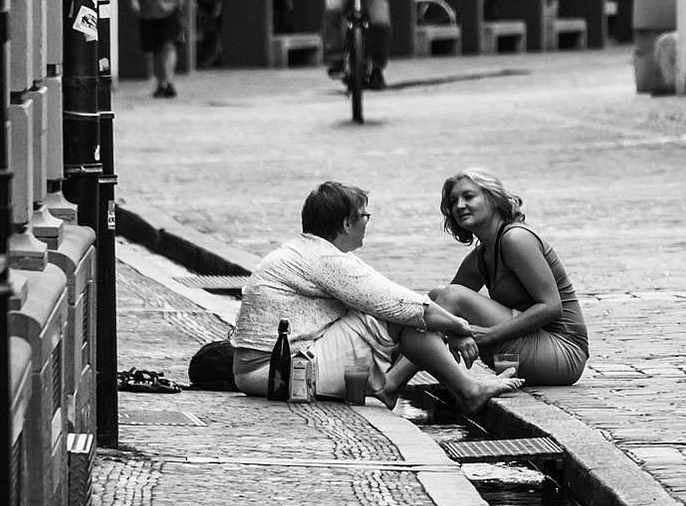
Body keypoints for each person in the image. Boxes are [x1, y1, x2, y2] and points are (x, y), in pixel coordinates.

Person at [230, 181, 523, 414]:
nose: (366, 222)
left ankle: (392, 387)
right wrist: (460, 328)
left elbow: (387, 293)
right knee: (403, 317)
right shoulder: (324, 259)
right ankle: (469, 392)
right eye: (364, 216)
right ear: (346, 223)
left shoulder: (311, 251)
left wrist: (447, 324)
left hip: (267, 369)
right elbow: (401, 305)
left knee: (402, 312)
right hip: (274, 372)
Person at [385, 170, 589, 394]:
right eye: (454, 201)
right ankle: (390, 372)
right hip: (522, 348)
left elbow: (552, 307)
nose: (460, 205)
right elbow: (440, 308)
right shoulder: (481, 257)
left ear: (493, 199)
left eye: (468, 197)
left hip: (563, 352)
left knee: (452, 295)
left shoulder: (516, 239)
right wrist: (452, 334)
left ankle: (391, 384)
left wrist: (490, 335)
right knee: (437, 295)